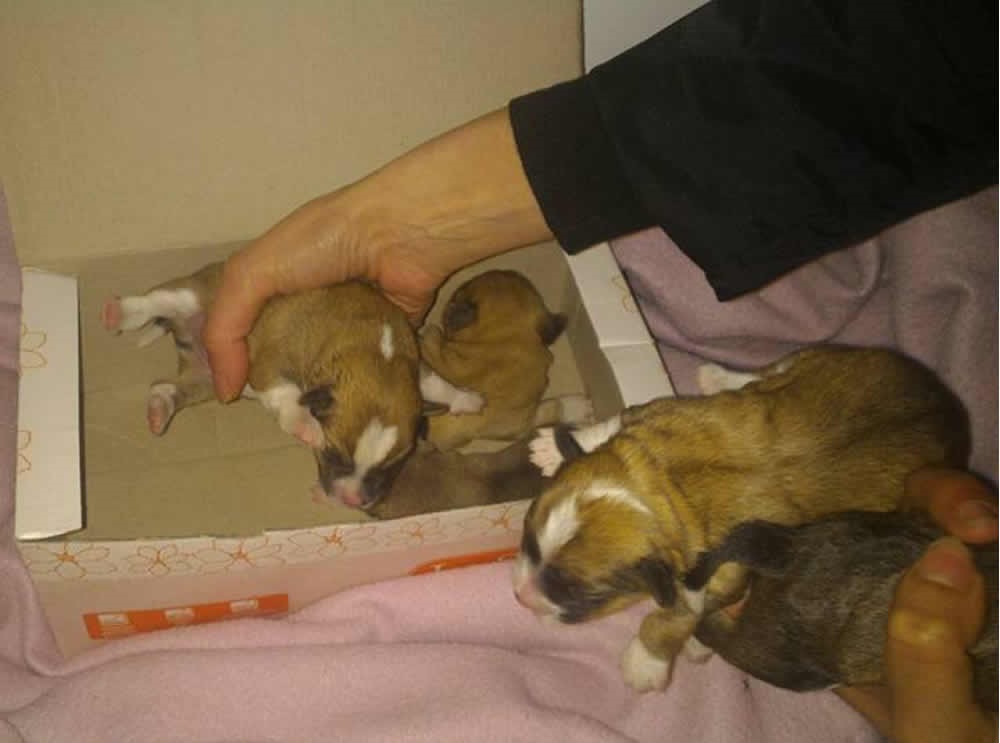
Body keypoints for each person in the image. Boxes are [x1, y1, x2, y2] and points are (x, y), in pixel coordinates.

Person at [200, 2, 997, 740]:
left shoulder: (705, 546)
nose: (523, 591)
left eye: (562, 586)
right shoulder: (667, 455)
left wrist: (666, 626)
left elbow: (706, 576)